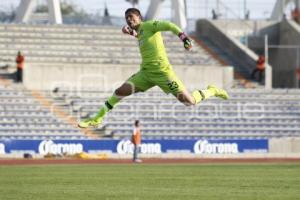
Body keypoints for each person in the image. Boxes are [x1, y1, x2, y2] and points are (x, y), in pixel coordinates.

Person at [78, 8, 229, 128]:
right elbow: (141, 37)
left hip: (164, 74)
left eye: (132, 16)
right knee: (119, 92)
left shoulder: (149, 26)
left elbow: (169, 25)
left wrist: (184, 38)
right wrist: (130, 32)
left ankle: (212, 90)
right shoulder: (141, 33)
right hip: (145, 74)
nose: (129, 20)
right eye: (127, 18)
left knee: (189, 102)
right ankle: (97, 118)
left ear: (139, 17)